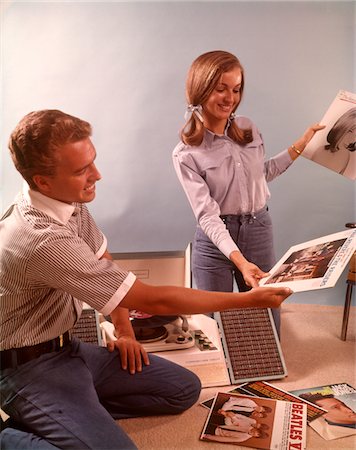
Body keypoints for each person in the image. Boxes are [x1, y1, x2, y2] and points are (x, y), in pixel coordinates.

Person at [0, 109, 292, 450]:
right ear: (43, 181)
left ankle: (73, 417)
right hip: (27, 370)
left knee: (184, 390)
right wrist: (246, 300)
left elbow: (103, 258)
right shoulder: (41, 238)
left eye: (93, 161)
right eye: (82, 170)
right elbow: (153, 301)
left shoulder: (67, 201)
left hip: (70, 350)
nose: (98, 174)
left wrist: (124, 331)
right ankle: (11, 436)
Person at [172, 50, 325, 330]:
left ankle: (263, 375)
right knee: (212, 326)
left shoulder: (248, 128)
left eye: (236, 89)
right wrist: (240, 261)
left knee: (265, 321)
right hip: (214, 239)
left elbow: (261, 175)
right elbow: (207, 215)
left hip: (258, 230)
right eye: (220, 89)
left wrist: (301, 145)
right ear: (201, 89)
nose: (230, 98)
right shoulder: (185, 153)